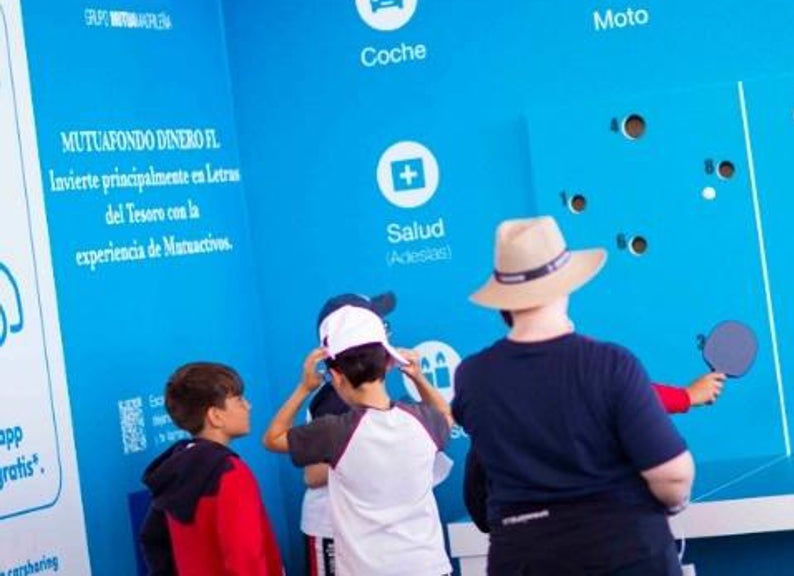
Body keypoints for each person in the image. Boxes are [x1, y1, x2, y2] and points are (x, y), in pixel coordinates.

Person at [452, 215, 695, 576]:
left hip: (522, 560)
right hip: (624, 554)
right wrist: (671, 504)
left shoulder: (472, 377)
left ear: (506, 297)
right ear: (565, 284)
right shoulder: (611, 364)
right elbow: (673, 476)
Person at [462, 310, 725, 534]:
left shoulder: (481, 381)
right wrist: (687, 397)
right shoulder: (598, 370)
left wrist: (686, 396)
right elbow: (673, 478)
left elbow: (478, 502)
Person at [263, 303, 453, 576]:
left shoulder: (334, 431)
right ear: (389, 362)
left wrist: (304, 387)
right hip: (428, 566)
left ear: (337, 375)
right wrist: (419, 377)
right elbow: (446, 413)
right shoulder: (424, 420)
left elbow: (273, 438)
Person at [139, 362, 283, 575]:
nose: (248, 406)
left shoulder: (173, 470)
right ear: (215, 416)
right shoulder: (231, 473)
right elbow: (246, 559)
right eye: (239, 400)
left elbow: (153, 540)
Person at [298, 292, 398, 576]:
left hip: (364, 529)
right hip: (332, 531)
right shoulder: (335, 399)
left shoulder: (369, 397)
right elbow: (314, 474)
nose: (385, 330)